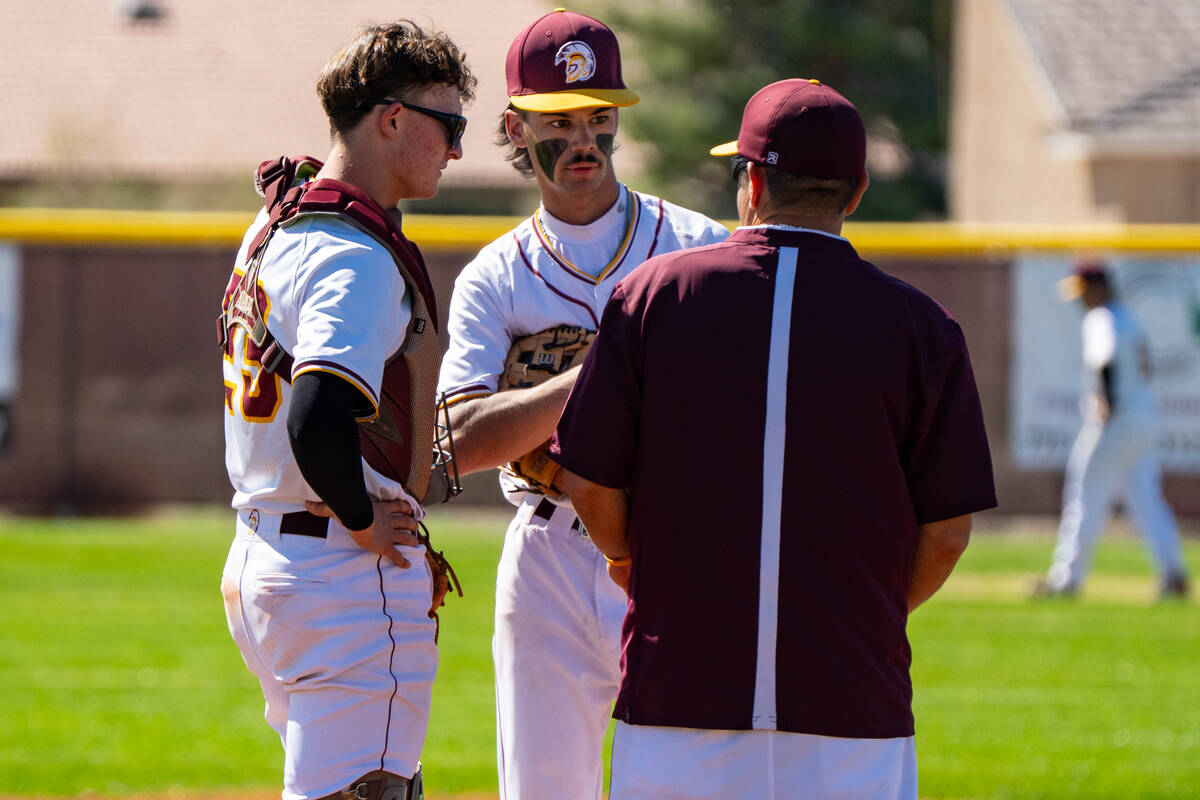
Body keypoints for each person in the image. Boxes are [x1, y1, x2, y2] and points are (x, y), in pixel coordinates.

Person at [551, 78, 998, 800]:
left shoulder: (652, 295)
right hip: (851, 702)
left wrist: (632, 558)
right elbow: (946, 533)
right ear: (855, 193)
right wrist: (862, 607)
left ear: (751, 182)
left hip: (680, 695)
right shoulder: (922, 327)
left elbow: (589, 481)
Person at [435, 9, 729, 799]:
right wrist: (601, 375)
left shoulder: (697, 245)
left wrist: (545, 404)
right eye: (558, 122)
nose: (584, 141)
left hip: (676, 546)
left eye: (599, 117)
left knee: (682, 782)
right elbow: (455, 442)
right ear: (515, 129)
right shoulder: (496, 278)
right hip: (550, 557)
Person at [217, 21, 474, 800]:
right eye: (449, 125)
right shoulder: (353, 257)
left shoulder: (279, 221)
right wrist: (362, 519)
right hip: (339, 569)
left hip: (266, 553)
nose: (457, 150)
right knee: (369, 791)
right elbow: (316, 413)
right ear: (392, 120)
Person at [1034, 259, 1190, 599]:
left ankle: (1066, 579)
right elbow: (1145, 368)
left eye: (1083, 291)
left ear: (1099, 287)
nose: (1080, 299)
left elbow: (1105, 361)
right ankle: (1174, 573)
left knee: (1084, 494)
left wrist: (1105, 405)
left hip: (1115, 418)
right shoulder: (1129, 318)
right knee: (1146, 498)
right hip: (1144, 416)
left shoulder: (1102, 318)